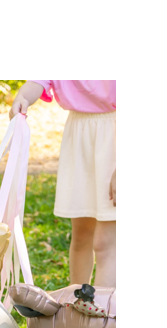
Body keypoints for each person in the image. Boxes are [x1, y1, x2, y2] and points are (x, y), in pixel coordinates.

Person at [9, 80, 116, 287]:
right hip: (79, 133)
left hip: (115, 135)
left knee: (106, 244)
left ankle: (103, 307)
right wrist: (22, 97)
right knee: (81, 235)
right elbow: (39, 80)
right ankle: (78, 304)